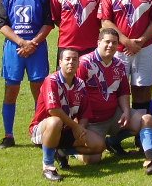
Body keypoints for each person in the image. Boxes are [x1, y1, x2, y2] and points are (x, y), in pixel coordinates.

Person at [0, 0, 54, 148]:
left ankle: (38, 132)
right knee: (11, 90)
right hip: (14, 49)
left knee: (39, 91)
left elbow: (48, 23)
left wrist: (33, 43)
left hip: (36, 48)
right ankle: (8, 135)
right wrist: (22, 42)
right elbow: (2, 24)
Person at [29, 48, 105, 181]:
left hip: (66, 129)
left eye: (74, 59)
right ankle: (48, 165)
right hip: (43, 130)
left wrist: (80, 128)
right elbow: (53, 110)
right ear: (60, 62)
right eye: (67, 59)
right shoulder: (51, 80)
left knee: (98, 147)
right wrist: (75, 127)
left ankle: (61, 152)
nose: (71, 62)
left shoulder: (80, 84)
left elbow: (85, 113)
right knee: (55, 121)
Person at [75, 28, 142, 161]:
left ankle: (112, 142)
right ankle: (71, 151)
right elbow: (75, 94)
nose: (111, 45)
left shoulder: (119, 64)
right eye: (107, 42)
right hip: (92, 121)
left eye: (114, 43)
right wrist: (79, 123)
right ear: (98, 42)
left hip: (113, 116)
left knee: (144, 121)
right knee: (93, 160)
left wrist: (126, 112)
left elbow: (123, 91)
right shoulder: (84, 63)